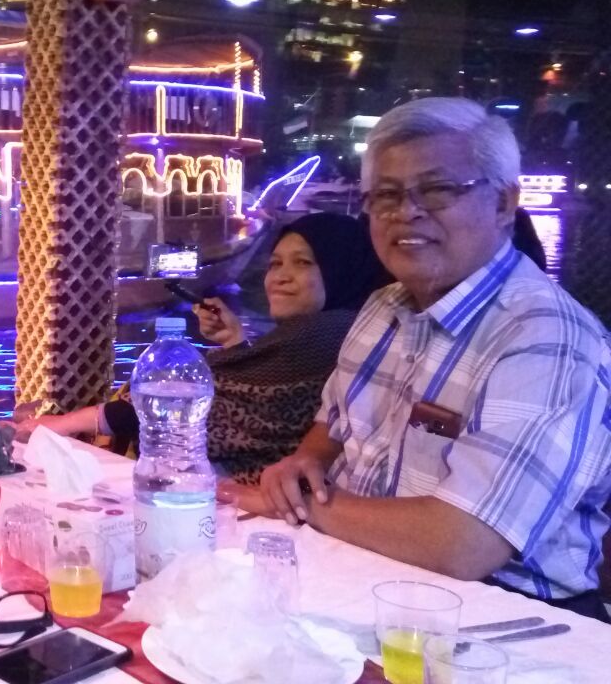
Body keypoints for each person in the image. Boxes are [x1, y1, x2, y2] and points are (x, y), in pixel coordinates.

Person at [250, 97, 611, 620]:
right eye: (386, 195)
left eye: (438, 189)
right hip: (367, 577)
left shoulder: (546, 338)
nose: (407, 212)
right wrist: (304, 465)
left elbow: (462, 543)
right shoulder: (384, 307)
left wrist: (301, 502)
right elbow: (332, 426)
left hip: (510, 620)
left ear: (504, 203)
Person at [16, 212, 385, 485]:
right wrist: (235, 342)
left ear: (341, 268)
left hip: (255, 508)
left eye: (303, 262)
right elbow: (260, 401)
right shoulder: (343, 329)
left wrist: (59, 424)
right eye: (275, 264)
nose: (280, 277)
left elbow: (179, 412)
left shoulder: (327, 333)